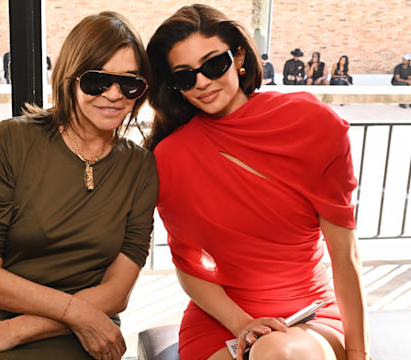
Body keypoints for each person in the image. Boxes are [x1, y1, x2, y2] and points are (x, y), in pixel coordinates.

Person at [0, 11, 158, 360]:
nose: (113, 94)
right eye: (97, 80)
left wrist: (21, 330)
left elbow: (116, 292)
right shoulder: (11, 140)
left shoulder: (140, 168)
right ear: (69, 76)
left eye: (129, 83)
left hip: (83, 335)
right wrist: (69, 314)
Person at [146, 4, 369, 360]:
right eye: (186, 76)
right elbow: (189, 266)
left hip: (310, 316)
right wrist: (242, 324)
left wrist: (359, 353)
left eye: (213, 65)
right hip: (222, 319)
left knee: (279, 352)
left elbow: (345, 257)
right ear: (175, 87)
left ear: (238, 57)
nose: (202, 82)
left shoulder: (312, 125)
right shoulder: (170, 157)